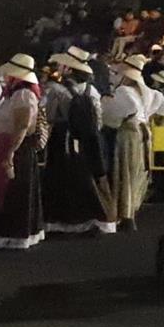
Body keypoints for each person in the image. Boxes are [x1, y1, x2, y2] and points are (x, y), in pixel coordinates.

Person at [0, 57, 46, 251]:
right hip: (3, 143)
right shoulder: (16, 94)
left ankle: (6, 232)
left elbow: (22, 124)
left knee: (4, 190)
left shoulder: (23, 94)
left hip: (9, 144)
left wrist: (11, 151)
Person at [41, 51, 114, 236]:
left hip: (63, 137)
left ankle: (64, 219)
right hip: (87, 138)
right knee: (88, 176)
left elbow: (49, 115)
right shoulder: (92, 90)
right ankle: (96, 217)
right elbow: (98, 119)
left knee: (61, 178)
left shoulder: (56, 90)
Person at [102, 54, 164, 227]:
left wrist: (104, 104)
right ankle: (131, 210)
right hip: (144, 133)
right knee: (138, 172)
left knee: (125, 172)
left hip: (128, 133)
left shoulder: (124, 92)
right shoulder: (149, 93)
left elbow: (113, 116)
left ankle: (126, 215)